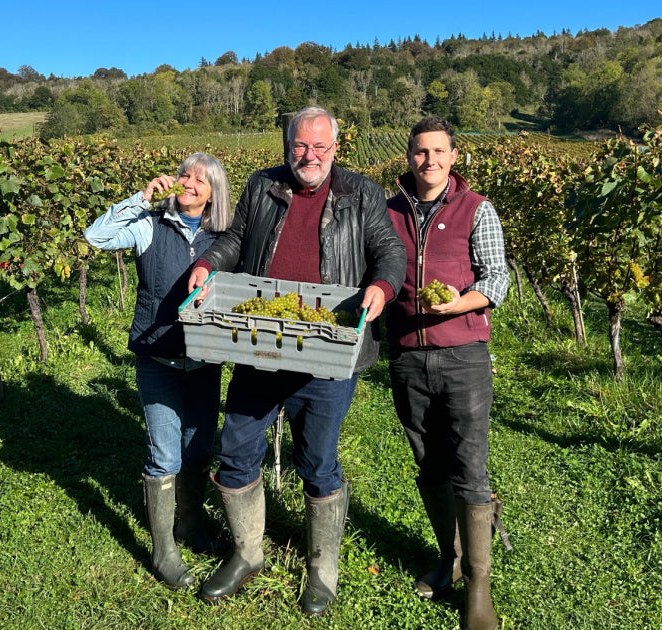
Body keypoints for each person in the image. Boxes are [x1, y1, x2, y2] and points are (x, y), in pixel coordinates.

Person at [185, 107, 405, 615]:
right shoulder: (263, 185)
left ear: (336, 147)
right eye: (300, 147)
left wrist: (380, 286)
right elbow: (235, 241)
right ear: (288, 147)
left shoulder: (363, 193)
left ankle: (323, 570)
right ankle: (247, 552)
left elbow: (389, 252)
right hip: (259, 339)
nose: (310, 156)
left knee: (318, 460)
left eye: (320, 147)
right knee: (237, 447)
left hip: (328, 347)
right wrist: (206, 264)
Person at [83, 152, 233, 589]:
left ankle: (190, 524)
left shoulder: (223, 237)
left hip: (205, 360)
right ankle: (164, 549)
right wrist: (139, 198)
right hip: (157, 358)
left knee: (200, 446)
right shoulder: (150, 225)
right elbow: (96, 237)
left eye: (200, 180)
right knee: (164, 454)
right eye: (184, 174)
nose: (189, 183)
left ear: (214, 192)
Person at [383, 117, 509, 630]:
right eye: (420, 152)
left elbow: (496, 277)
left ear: (454, 157)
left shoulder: (477, 209)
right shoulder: (387, 211)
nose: (429, 160)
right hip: (408, 353)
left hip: (464, 356)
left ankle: (479, 583)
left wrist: (461, 304)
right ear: (408, 157)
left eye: (439, 152)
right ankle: (449, 559)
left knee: (469, 467)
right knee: (428, 463)